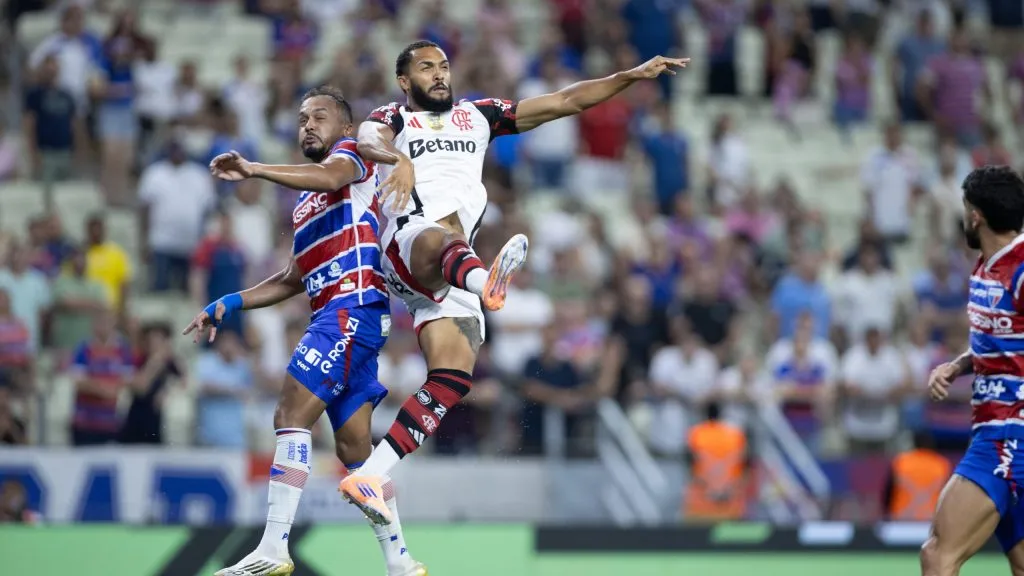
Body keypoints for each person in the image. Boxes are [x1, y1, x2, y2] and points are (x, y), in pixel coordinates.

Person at [339, 39, 688, 524]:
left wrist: (631, 74)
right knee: (443, 237)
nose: (439, 75)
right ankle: (487, 283)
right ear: (404, 81)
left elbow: (566, 101)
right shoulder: (395, 118)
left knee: (453, 378)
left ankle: (372, 474)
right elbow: (365, 140)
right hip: (408, 247)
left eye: (443, 66)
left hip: (447, 276)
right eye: (425, 68)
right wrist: (397, 159)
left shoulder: (479, 115)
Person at [186, 85, 425, 576]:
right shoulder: (304, 208)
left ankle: (273, 548)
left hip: (349, 309)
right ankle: (399, 560)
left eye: (319, 116)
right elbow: (291, 279)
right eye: (301, 118)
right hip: (345, 317)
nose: (308, 125)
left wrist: (254, 168)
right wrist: (226, 303)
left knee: (290, 411)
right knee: (355, 448)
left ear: (344, 126)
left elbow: (325, 175)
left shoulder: (352, 155)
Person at [924, 166, 1024, 576]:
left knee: (938, 555)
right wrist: (959, 364)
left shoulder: (1020, 270)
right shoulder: (987, 266)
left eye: (965, 208)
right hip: (997, 431)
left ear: (976, 216)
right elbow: (1003, 338)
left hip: (1007, 437)